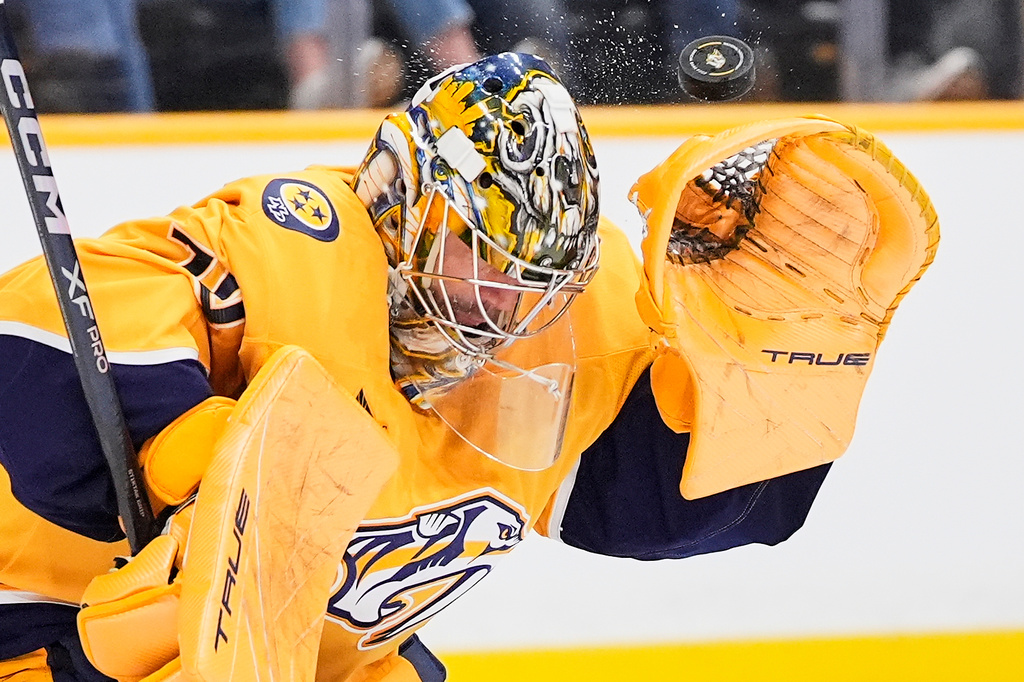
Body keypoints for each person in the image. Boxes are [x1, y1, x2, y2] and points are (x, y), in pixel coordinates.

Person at [0, 53, 938, 681]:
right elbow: (40, 322)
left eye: (538, 280)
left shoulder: (571, 316)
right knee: (154, 622)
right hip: (43, 622)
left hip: (326, 656)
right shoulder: (295, 244)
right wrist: (190, 451)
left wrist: (756, 369)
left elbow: (645, 503)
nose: (509, 308)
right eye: (481, 258)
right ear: (403, 202)